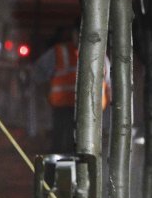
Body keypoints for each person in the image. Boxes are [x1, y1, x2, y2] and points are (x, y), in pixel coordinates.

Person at [32, 21, 110, 153]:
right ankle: (60, 172)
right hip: (64, 110)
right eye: (78, 33)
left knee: (85, 150)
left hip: (91, 112)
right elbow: (38, 73)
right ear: (73, 34)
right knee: (63, 148)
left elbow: (108, 85)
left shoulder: (101, 56)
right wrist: (46, 94)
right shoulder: (59, 52)